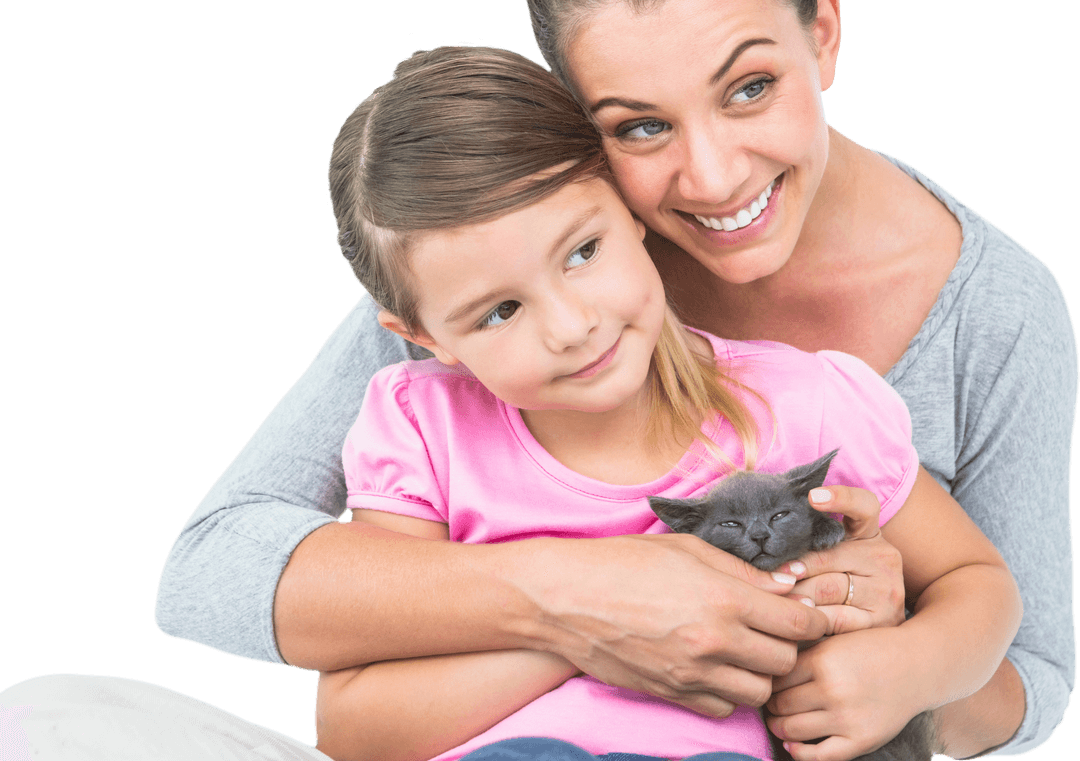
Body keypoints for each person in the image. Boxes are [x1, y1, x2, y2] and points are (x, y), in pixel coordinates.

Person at [4, 0, 1073, 761]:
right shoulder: (524, 253)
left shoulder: (988, 315)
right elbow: (212, 572)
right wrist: (580, 604)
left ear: (824, 31)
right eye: (639, 124)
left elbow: (1033, 677)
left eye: (751, 86)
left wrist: (898, 660)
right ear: (580, 131)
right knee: (46, 721)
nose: (710, 176)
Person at [312, 44, 1018, 761]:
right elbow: (353, 724)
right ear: (424, 335)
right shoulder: (425, 431)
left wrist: (906, 669)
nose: (572, 325)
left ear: (627, 206)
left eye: (583, 251)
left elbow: (978, 584)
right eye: (499, 311)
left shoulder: (797, 404)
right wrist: (590, 628)